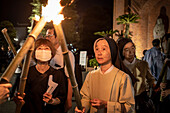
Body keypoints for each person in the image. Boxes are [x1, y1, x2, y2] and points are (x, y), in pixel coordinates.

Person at [75, 37, 135, 113]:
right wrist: (82, 107)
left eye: (104, 49)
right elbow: (85, 99)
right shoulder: (91, 76)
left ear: (112, 51)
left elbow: (129, 107)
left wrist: (107, 105)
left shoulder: (122, 77)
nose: (99, 53)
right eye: (97, 49)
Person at [14, 39, 67, 113]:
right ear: (34, 53)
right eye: (39, 48)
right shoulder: (26, 74)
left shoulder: (58, 74)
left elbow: (61, 98)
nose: (43, 51)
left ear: (51, 53)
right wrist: (18, 99)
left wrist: (52, 101)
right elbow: (20, 95)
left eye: (46, 48)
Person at [117, 38, 155, 113]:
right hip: (124, 102)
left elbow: (151, 80)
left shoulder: (143, 64)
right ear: (122, 52)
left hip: (141, 101)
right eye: (127, 50)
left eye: (132, 48)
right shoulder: (119, 67)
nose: (130, 52)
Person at [45, 26, 75, 112]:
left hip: (60, 95)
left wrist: (69, 100)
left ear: (58, 38)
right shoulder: (47, 53)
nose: (47, 38)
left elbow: (70, 79)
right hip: (47, 94)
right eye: (46, 36)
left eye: (49, 35)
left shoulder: (67, 55)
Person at [154, 33, 170, 113]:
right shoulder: (157, 59)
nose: (166, 44)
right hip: (160, 91)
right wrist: (158, 84)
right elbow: (152, 76)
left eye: (168, 41)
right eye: (164, 41)